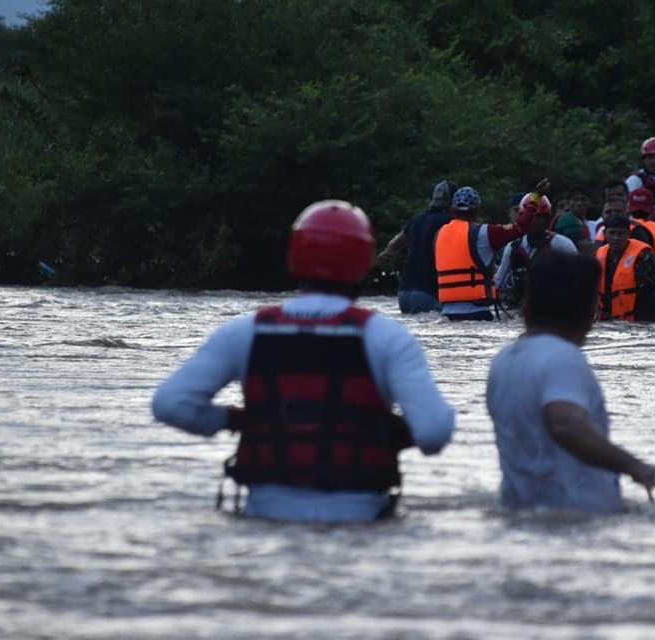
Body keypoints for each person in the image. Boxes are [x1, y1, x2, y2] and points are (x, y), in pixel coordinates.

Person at [152, 200, 455, 523]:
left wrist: (236, 420)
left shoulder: (245, 331)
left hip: (262, 523)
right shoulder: (388, 337)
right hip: (361, 524)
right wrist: (383, 430)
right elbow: (433, 432)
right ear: (363, 262)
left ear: (295, 256)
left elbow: (170, 404)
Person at [486, 250, 655, 513]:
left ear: (526, 306)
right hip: (579, 519)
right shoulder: (562, 358)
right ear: (589, 312)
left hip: (519, 513)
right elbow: (564, 423)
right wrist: (638, 468)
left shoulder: (504, 360)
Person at [435, 185, 539, 321]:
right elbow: (520, 226)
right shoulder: (484, 233)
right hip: (477, 313)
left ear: (453, 209)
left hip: (446, 314)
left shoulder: (439, 234)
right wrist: (536, 197)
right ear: (478, 209)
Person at [377, 180, 456, 314]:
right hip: (428, 293)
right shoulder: (449, 222)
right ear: (452, 202)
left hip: (404, 294)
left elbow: (392, 245)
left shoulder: (416, 219)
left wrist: (387, 254)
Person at [495, 194, 578, 309]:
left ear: (547, 219)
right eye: (531, 216)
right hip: (519, 310)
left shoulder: (563, 245)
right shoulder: (513, 247)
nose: (534, 221)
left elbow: (579, 282)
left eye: (539, 216)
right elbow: (499, 284)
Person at [596, 215, 655, 322]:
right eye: (612, 233)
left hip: (641, 317)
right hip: (608, 318)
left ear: (628, 234)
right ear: (605, 233)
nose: (616, 238)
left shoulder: (643, 254)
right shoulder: (600, 254)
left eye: (621, 234)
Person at [551, 187, 593, 255]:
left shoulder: (593, 224)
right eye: (575, 199)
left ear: (590, 202)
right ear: (569, 203)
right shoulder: (565, 220)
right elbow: (586, 248)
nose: (579, 203)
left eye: (583, 199)